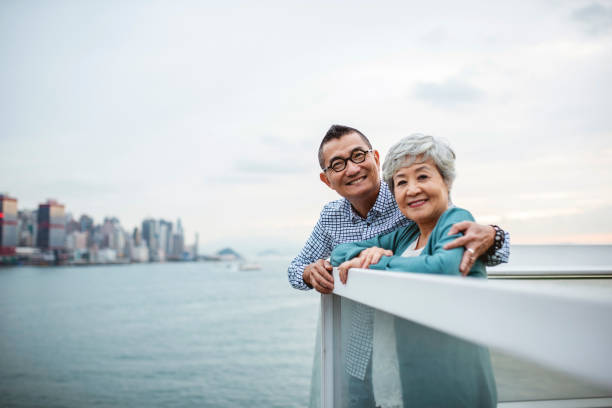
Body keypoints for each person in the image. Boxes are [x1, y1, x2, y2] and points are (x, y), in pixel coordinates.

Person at [287, 125, 508, 406]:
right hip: (362, 356)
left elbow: (454, 251)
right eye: (338, 164)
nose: (352, 169)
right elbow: (300, 268)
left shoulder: (412, 202)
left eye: (358, 156)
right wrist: (310, 272)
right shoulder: (335, 218)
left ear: (375, 158)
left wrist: (495, 234)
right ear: (327, 179)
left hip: (423, 351)